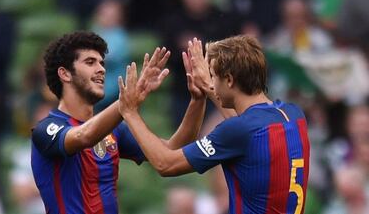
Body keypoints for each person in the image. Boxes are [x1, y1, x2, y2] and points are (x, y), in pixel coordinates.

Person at [118, 35, 311, 214]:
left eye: (213, 76)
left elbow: (165, 164)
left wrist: (130, 112)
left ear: (229, 79)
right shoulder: (294, 115)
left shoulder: (237, 130)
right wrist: (208, 88)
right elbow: (247, 126)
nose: (212, 83)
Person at [31, 31, 207, 214]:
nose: (101, 69)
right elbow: (85, 136)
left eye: (102, 63)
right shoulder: (45, 130)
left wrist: (198, 100)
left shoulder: (115, 130)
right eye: (90, 62)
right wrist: (128, 100)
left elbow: (173, 150)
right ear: (65, 74)